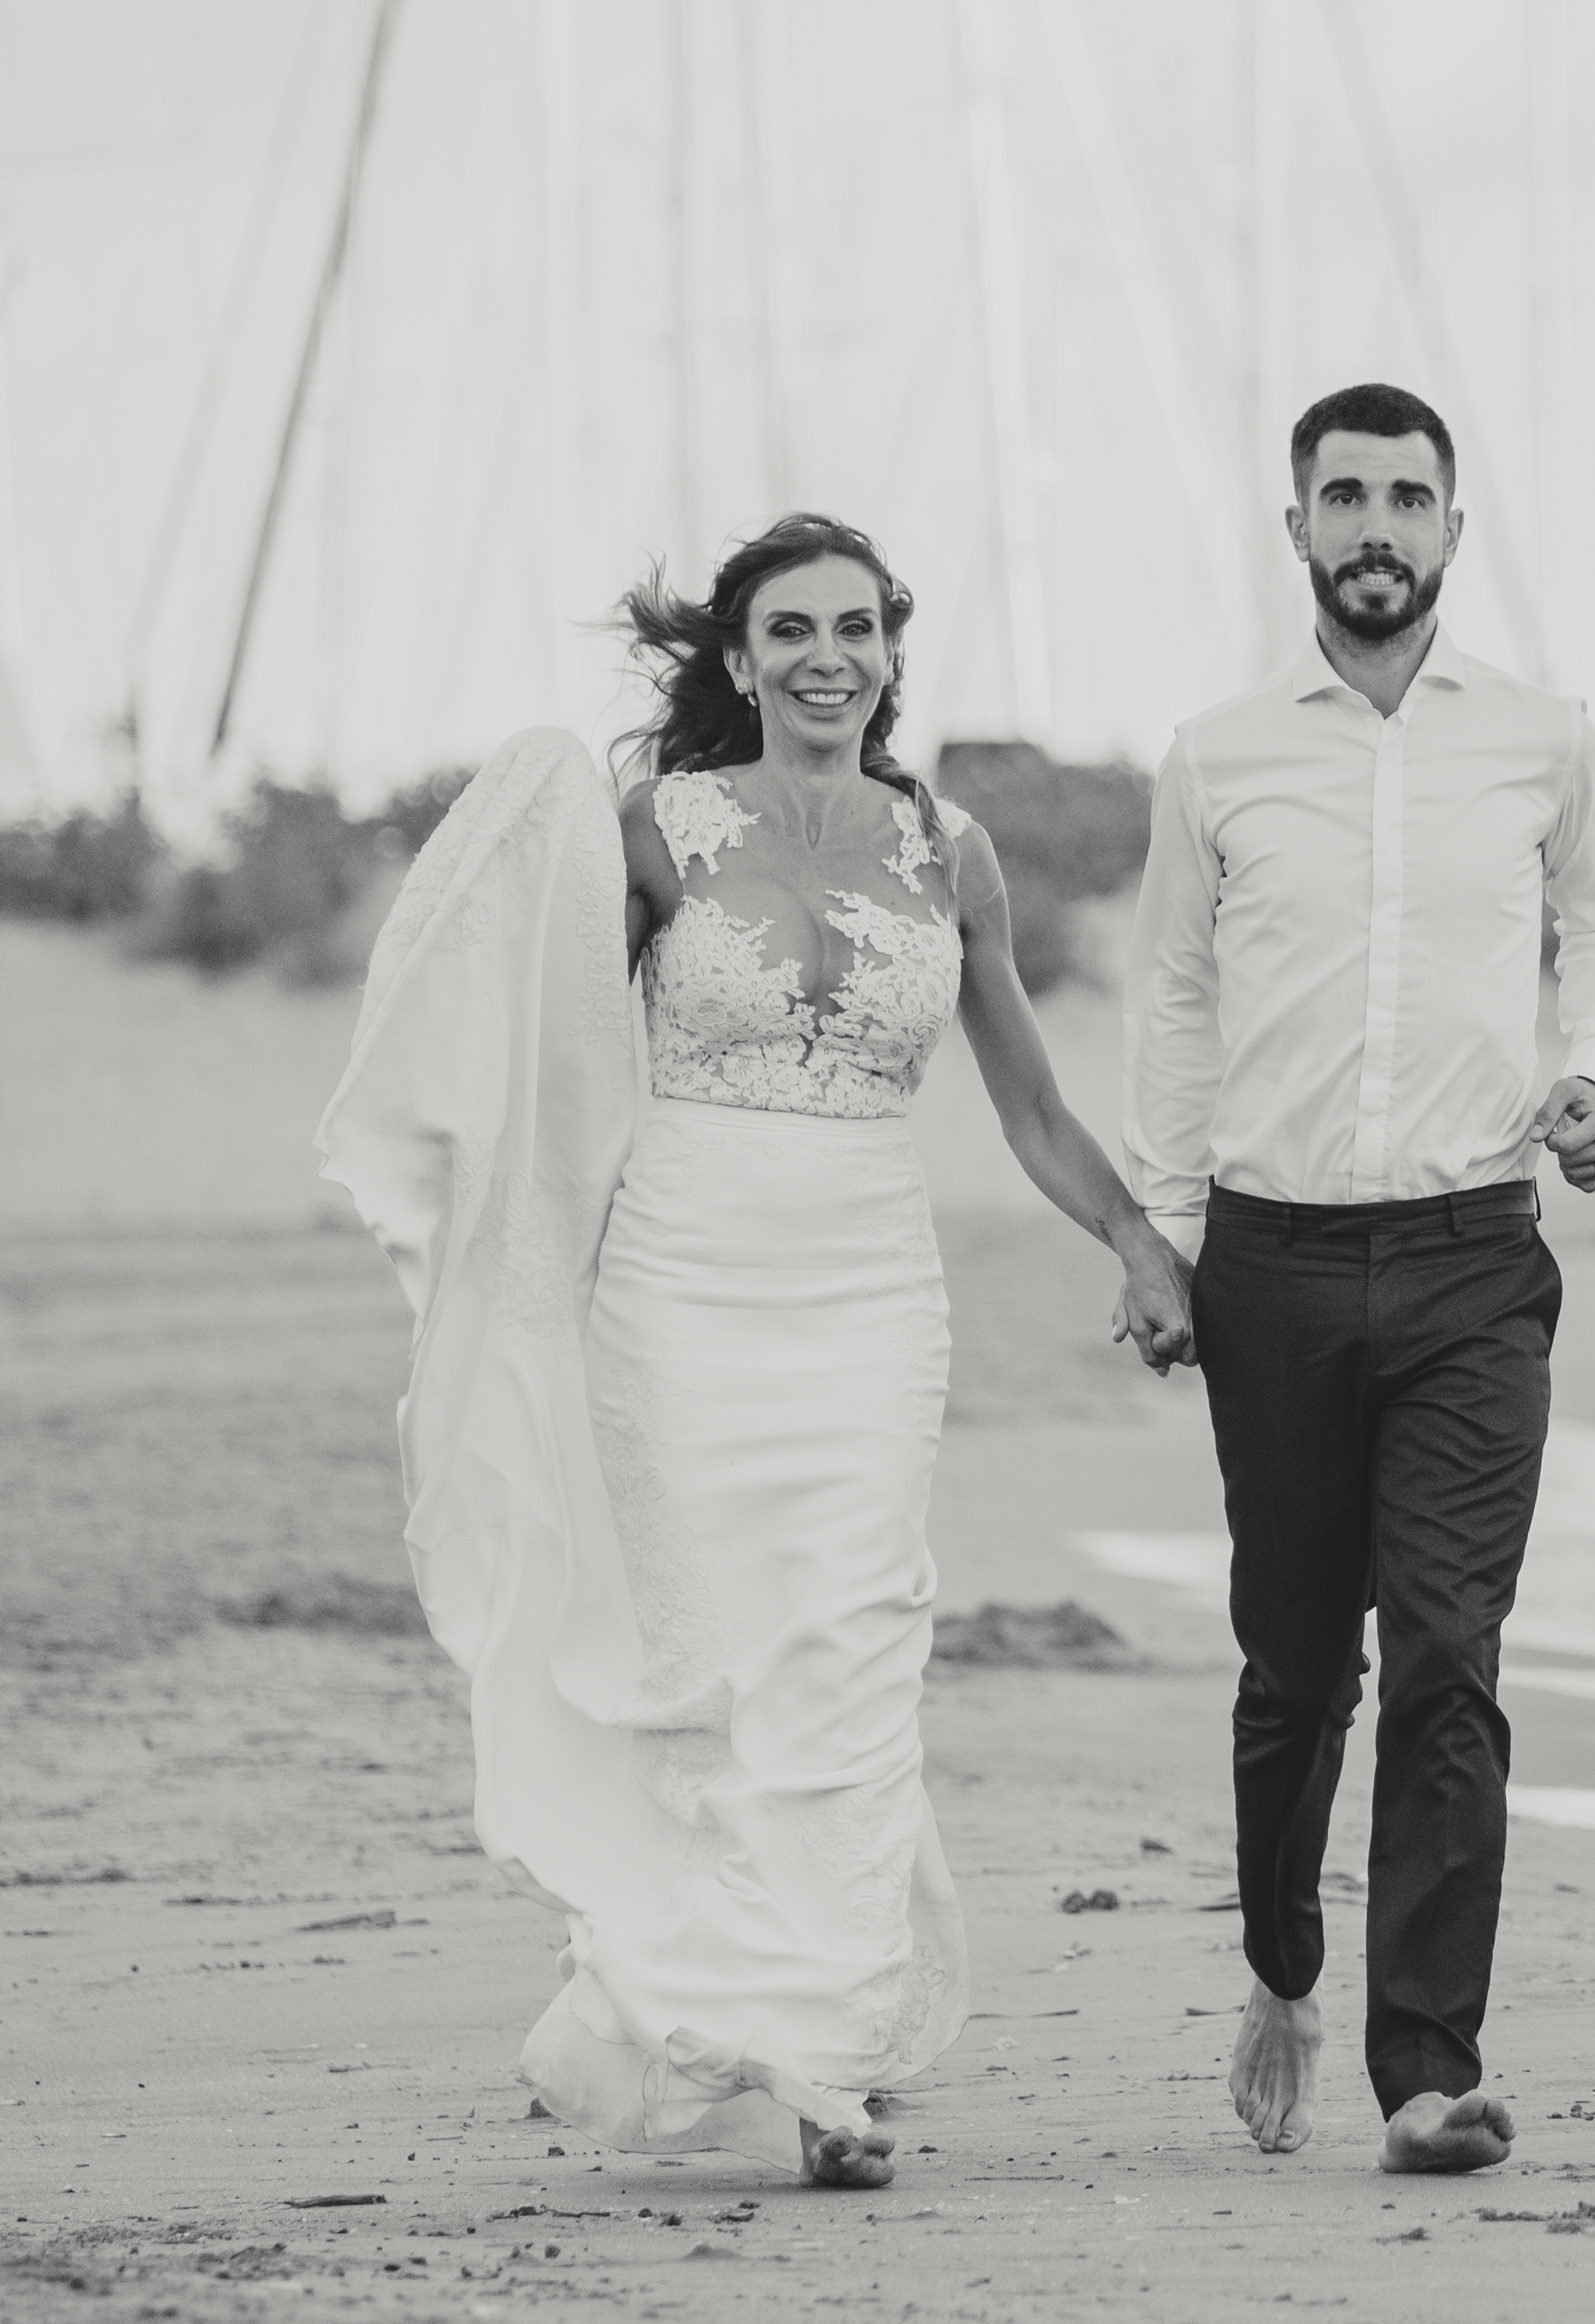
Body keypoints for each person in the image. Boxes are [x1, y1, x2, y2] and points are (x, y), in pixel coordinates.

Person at [319, 514, 1188, 2189]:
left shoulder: (950, 850)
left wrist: (1139, 1241)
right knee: (712, 1661)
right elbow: (550, 1049)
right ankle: (715, 2000)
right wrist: (509, 1246)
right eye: (791, 629)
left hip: (869, 1291)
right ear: (738, 657)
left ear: (890, 651)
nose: (826, 658)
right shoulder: (653, 830)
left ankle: (830, 2061)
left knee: (852, 1646)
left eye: (855, 628)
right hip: (677, 1287)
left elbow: (1028, 1103)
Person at [1122, 383, 1595, 2175]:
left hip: (1472, 1260)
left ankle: (1427, 2066)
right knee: (1294, 1672)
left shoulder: (1543, 740)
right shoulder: (1214, 757)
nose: (1374, 527)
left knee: (1446, 1655)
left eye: (1405, 499)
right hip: (1267, 1264)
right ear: (1296, 527)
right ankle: (1280, 1968)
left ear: (1449, 528)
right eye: (1342, 497)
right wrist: (1165, 1236)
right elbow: (1170, 998)